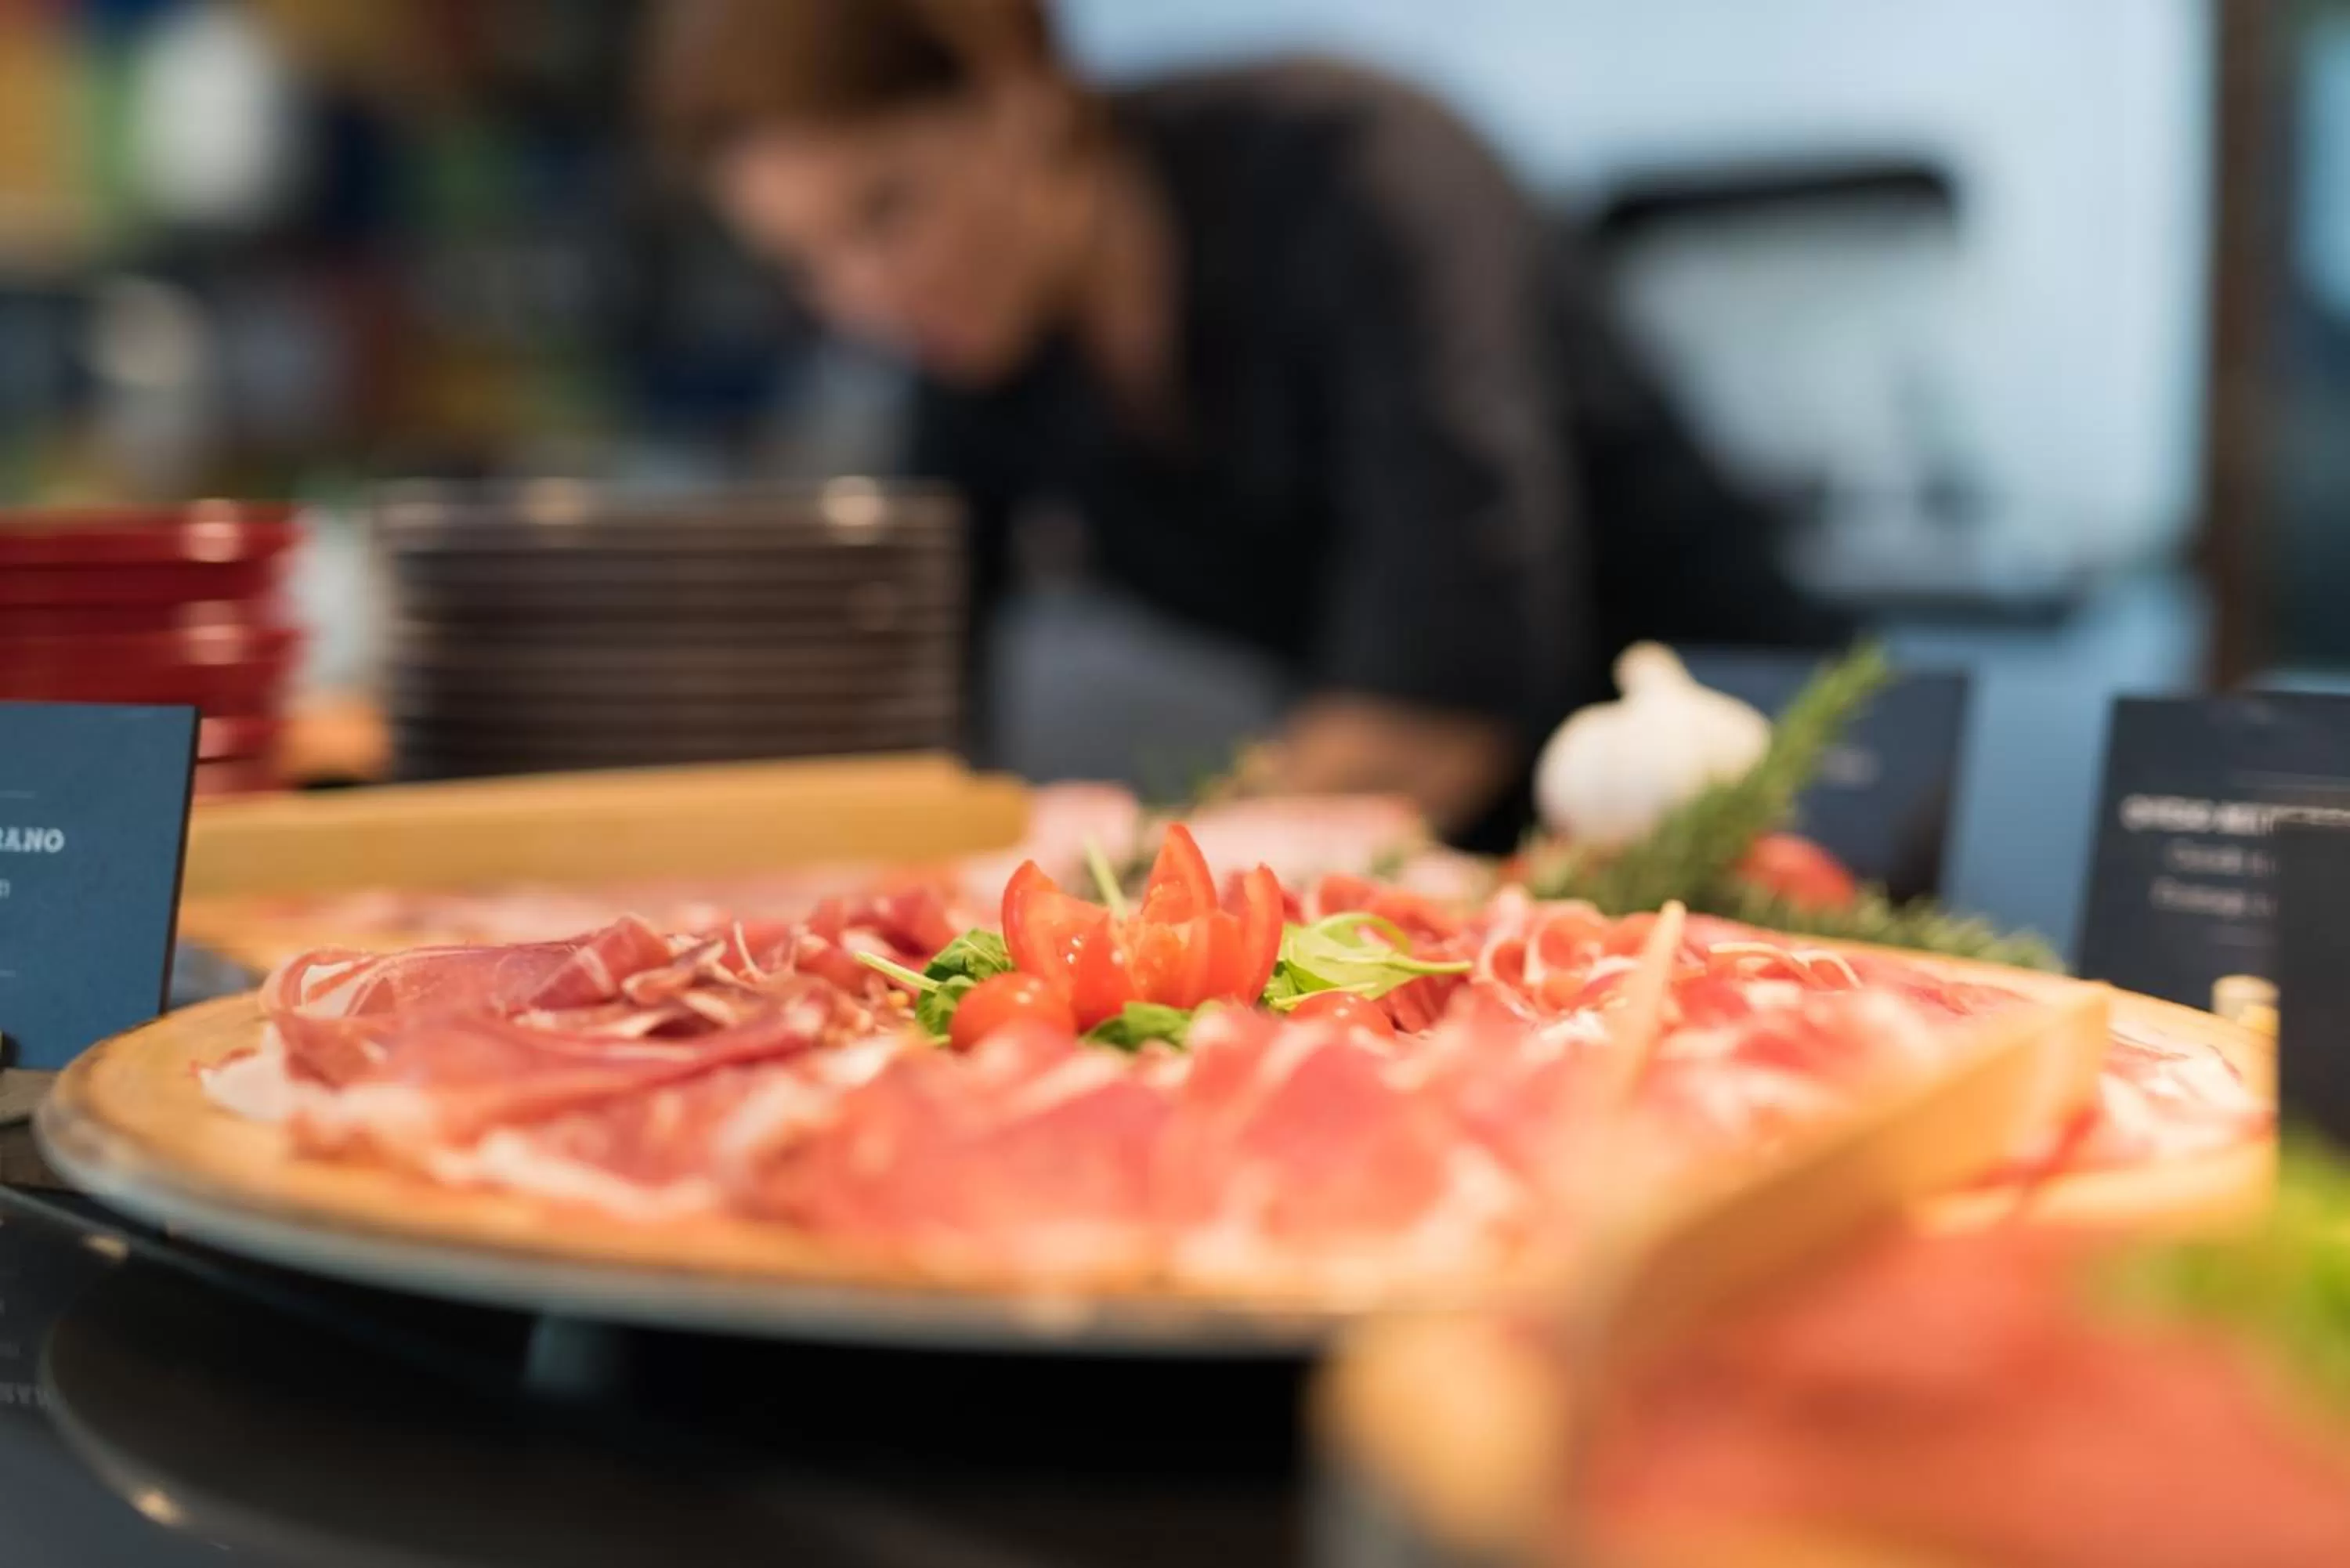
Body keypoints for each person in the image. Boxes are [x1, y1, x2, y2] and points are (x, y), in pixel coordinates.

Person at [647, 0, 1846, 847]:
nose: (866, 299)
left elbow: (1430, 715)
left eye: (886, 211)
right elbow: (896, 728)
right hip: (1476, 876)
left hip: (1774, 800)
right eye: (806, 265)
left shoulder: (1366, 177)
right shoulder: (973, 336)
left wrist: (1125, 905)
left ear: (1018, 90)